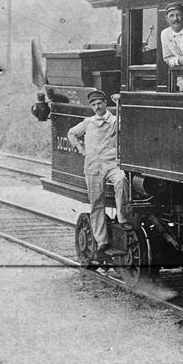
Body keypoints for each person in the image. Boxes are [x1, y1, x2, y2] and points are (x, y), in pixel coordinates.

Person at [67, 89, 130, 257]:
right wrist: (81, 150)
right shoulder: (88, 122)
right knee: (96, 203)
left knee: (121, 180)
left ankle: (123, 218)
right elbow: (71, 133)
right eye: (94, 105)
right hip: (93, 167)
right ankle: (101, 240)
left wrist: (120, 104)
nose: (97, 107)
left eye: (99, 103)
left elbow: (126, 126)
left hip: (111, 164)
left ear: (105, 103)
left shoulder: (115, 121)